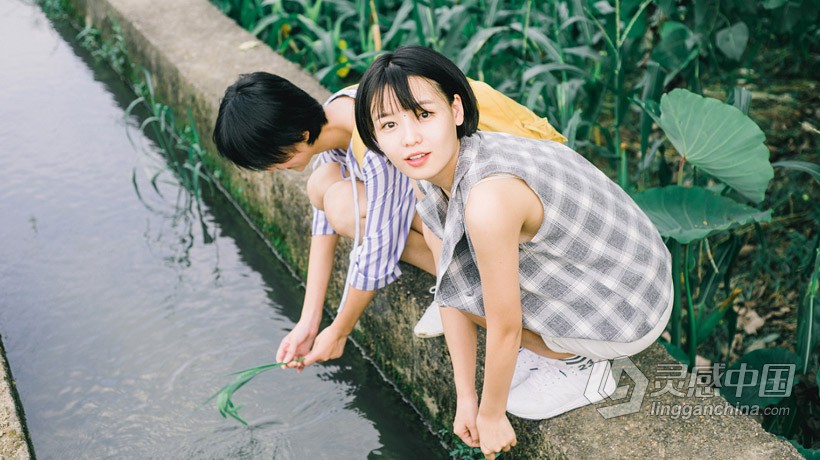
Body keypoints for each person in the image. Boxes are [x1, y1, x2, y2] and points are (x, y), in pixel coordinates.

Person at [353, 45, 673, 459]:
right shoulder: (439, 168)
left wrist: (490, 415)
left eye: (423, 115)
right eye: (390, 125)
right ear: (375, 138)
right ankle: (555, 350)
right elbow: (449, 289)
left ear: (456, 110)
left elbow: (502, 324)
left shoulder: (487, 197)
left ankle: (579, 365)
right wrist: (465, 397)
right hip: (619, 271)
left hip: (630, 307)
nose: (410, 138)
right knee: (459, 285)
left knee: (478, 298)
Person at [212, 72, 566, 371]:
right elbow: (323, 222)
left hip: (534, 196)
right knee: (326, 187)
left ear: (299, 137)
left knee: (349, 208)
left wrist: (339, 332)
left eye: (269, 161)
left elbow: (378, 251)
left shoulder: (378, 139)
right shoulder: (341, 108)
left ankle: (484, 300)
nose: (270, 171)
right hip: (499, 186)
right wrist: (309, 320)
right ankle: (456, 286)